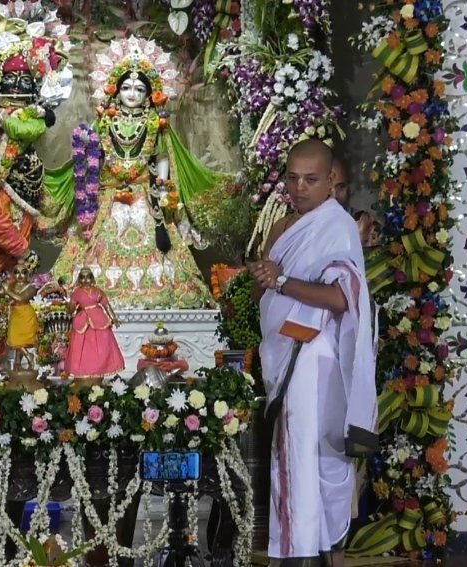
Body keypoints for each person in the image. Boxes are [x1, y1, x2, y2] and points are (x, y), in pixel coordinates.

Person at [247, 140, 378, 567]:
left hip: (314, 355)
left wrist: (282, 280)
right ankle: (312, 548)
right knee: (298, 453)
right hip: (286, 353)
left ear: (330, 183)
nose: (299, 187)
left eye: (311, 179)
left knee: (308, 454)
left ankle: (302, 550)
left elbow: (342, 298)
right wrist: (266, 277)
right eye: (292, 177)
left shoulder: (336, 225)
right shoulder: (285, 225)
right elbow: (263, 288)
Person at [50, 37, 228, 310]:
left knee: (161, 247)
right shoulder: (105, 120)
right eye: (127, 87)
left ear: (150, 94)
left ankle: (161, 298)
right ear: (115, 89)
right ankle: (91, 299)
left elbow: (162, 155)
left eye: (139, 89)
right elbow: (93, 157)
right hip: (109, 195)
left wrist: (162, 184)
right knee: (94, 245)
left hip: (146, 193)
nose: (132, 94)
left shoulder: (156, 122)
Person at [63, 267, 125, 379]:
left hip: (99, 320)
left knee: (102, 347)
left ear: (92, 278)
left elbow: (106, 305)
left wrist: (113, 318)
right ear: (79, 279)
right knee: (82, 348)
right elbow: (71, 309)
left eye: (88, 277)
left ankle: (100, 368)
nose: (86, 280)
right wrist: (69, 304)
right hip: (82, 322)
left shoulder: (98, 291)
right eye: (83, 277)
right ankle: (83, 370)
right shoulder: (76, 293)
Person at [330, 154, 378, 248]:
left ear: (349, 188)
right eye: (328, 188)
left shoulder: (365, 224)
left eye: (341, 187)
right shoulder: (303, 225)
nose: (334, 195)